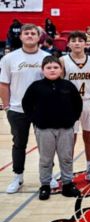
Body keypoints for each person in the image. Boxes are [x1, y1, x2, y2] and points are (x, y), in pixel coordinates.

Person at [22, 56, 82, 200]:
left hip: (65, 129)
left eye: (55, 67)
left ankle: (67, 183)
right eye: (48, 68)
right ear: (42, 70)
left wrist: (72, 119)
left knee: (66, 157)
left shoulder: (68, 86)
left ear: (61, 70)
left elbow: (77, 104)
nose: (52, 70)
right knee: (46, 159)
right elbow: (26, 104)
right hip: (44, 129)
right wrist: (35, 120)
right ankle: (45, 185)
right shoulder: (36, 87)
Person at [0, 24, 51, 194]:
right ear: (20, 36)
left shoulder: (47, 57)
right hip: (17, 109)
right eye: (26, 33)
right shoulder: (9, 59)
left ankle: (47, 177)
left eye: (33, 33)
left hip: (42, 110)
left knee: (45, 146)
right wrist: (7, 106)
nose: (30, 36)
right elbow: (4, 84)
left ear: (39, 37)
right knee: (19, 144)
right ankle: (18, 177)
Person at [60, 31, 90, 184]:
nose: (77, 43)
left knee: (89, 138)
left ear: (86, 44)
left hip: (88, 102)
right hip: (70, 105)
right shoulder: (63, 61)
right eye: (73, 40)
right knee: (71, 139)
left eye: (80, 40)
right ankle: (67, 171)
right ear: (68, 44)